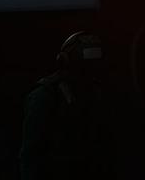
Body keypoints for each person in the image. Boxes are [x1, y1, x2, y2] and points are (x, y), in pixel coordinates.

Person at [19, 32, 114, 180]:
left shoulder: (97, 94)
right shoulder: (45, 96)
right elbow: (31, 155)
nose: (89, 76)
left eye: (94, 68)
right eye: (83, 69)